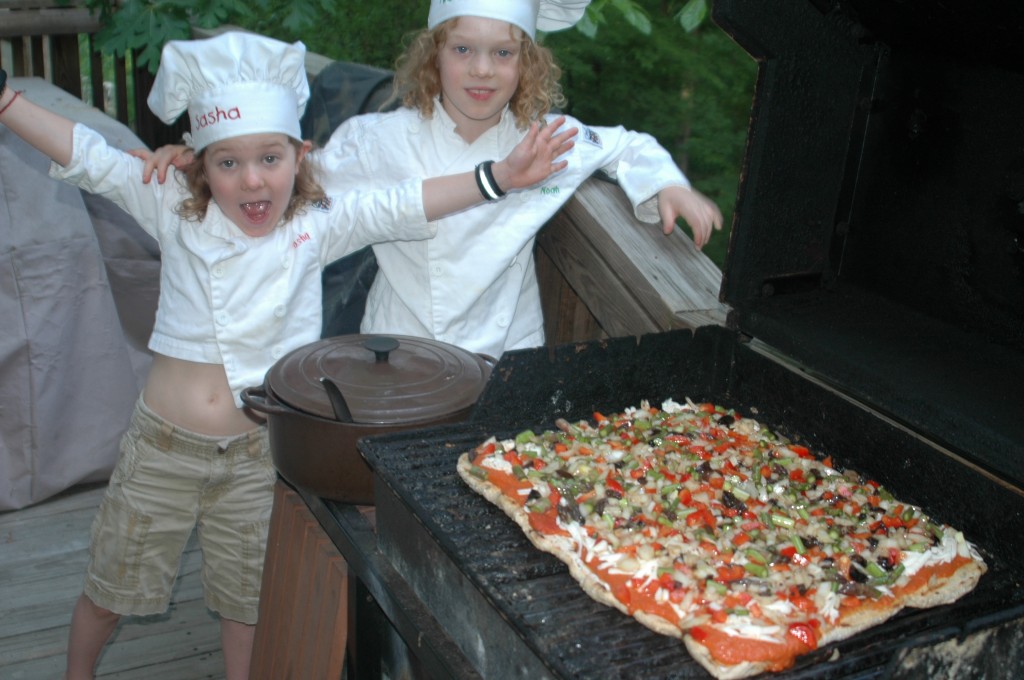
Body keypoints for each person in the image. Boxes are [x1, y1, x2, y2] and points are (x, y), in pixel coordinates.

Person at [0, 30, 573, 680]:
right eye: (227, 163)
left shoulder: (316, 224)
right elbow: (88, 155)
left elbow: (404, 204)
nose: (252, 180)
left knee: (245, 605)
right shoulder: (168, 206)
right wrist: (5, 99)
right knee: (110, 593)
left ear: (299, 156)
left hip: (258, 454)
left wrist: (499, 177)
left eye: (270, 158)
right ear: (198, 164)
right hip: (163, 447)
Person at [144, 1, 724, 361]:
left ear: (526, 65)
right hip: (397, 349)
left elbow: (627, 145)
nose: (481, 69)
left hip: (507, 352)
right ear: (433, 56)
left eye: (502, 53)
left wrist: (665, 186)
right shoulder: (379, 139)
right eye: (463, 49)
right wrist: (199, 158)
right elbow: (277, 178)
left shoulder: (546, 141)